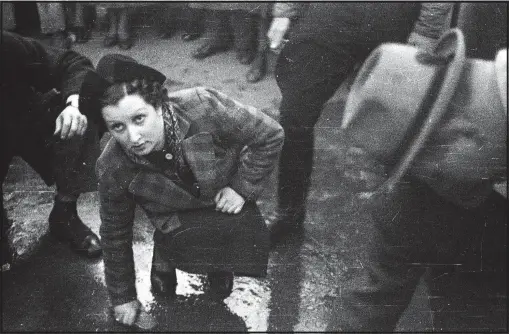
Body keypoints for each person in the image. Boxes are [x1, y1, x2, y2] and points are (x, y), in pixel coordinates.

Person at [325, 20, 507, 330]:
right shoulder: (417, 197)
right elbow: (367, 305)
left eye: (428, 164)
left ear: (466, 135)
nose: (424, 180)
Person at [80, 54, 283, 328]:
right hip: (171, 219)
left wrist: (241, 188)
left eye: (139, 118)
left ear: (160, 105)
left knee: (226, 274)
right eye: (118, 127)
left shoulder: (203, 105)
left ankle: (216, 261)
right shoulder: (111, 166)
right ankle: (164, 251)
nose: (133, 138)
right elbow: (115, 233)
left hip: (220, 200)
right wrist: (123, 297)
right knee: (167, 272)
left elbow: (270, 135)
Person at [265, 2, 453, 244]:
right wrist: (285, 10)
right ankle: (289, 212)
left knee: (401, 120)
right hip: (333, 11)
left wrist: (427, 29)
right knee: (294, 114)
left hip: (394, 14)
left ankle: (399, 229)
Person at [1, 31, 102, 269]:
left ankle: (64, 214)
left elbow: (71, 63)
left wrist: (74, 104)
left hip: (21, 119)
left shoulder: (5, 44)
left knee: (86, 107)